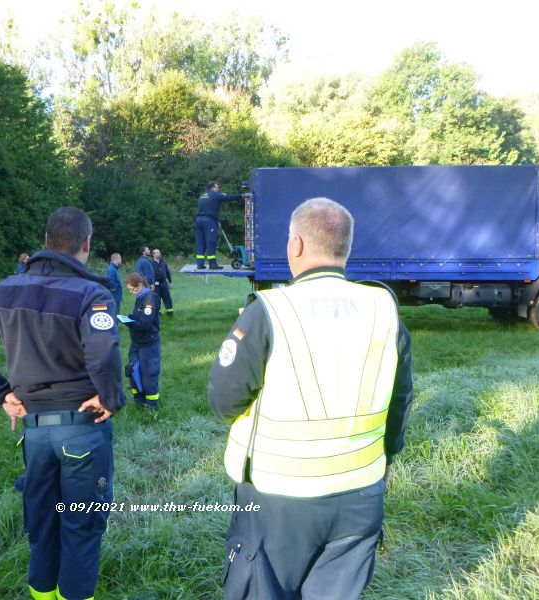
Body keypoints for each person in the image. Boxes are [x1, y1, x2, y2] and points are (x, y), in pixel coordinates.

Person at [208, 197, 414, 599]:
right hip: (361, 492)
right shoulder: (383, 309)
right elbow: (400, 398)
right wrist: (387, 457)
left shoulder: (270, 310)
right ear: (345, 247)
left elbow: (223, 400)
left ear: (296, 246)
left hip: (277, 499)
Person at [0, 207, 125, 600]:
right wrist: (112, 397)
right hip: (81, 427)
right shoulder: (92, 294)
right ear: (86, 244)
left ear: (47, 242)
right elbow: (102, 355)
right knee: (81, 526)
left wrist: (0, 394)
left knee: (43, 524)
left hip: (35, 432)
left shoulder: (6, 289)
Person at [123, 272, 161, 410]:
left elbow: (145, 323)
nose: (131, 292)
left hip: (148, 343)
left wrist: (130, 323)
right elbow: (138, 316)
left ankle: (151, 406)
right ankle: (139, 401)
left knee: (149, 374)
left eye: (132, 289)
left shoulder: (150, 298)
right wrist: (129, 317)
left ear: (139, 285)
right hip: (137, 342)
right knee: (133, 370)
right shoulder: (140, 297)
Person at [196, 181, 247, 270]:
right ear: (212, 188)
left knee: (201, 242)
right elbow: (228, 197)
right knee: (210, 242)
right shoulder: (215, 195)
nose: (218, 189)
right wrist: (242, 196)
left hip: (199, 220)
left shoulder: (202, 196)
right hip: (209, 221)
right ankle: (212, 264)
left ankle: (200, 264)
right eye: (217, 187)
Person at [151, 248, 173, 317]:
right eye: (157, 252)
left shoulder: (163, 262)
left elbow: (167, 272)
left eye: (159, 252)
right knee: (156, 299)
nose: (159, 253)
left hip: (164, 283)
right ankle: (157, 314)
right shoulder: (151, 263)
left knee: (167, 298)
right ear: (153, 254)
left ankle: (170, 312)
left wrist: (170, 282)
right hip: (156, 284)